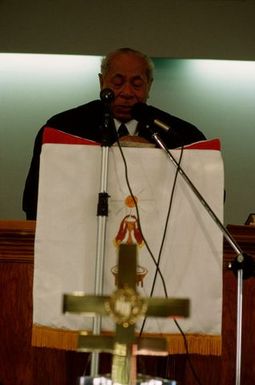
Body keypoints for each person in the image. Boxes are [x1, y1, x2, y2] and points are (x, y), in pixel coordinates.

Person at [23, 47, 206, 220]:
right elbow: (35, 199)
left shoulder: (180, 134)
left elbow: (207, 196)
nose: (126, 92)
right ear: (102, 82)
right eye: (117, 83)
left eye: (137, 84)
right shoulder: (64, 128)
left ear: (149, 85)